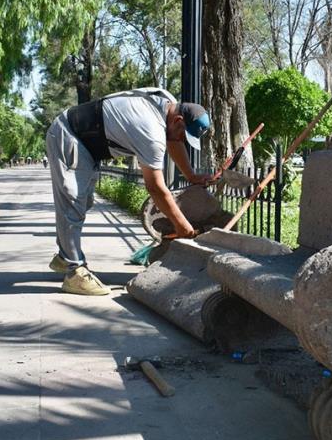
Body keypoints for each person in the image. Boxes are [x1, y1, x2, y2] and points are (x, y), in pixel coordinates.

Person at [45, 87, 212, 296]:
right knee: (72, 204)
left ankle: (64, 256)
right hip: (69, 135)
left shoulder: (166, 102)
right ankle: (74, 271)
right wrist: (183, 228)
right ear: (178, 121)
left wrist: (191, 176)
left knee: (83, 202)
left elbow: (174, 140)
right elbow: (156, 188)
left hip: (86, 143)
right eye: (183, 134)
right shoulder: (151, 131)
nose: (182, 140)